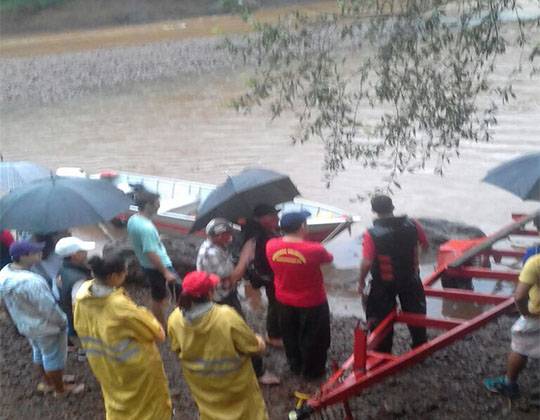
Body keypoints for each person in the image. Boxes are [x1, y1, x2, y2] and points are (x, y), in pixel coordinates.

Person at [74, 253, 172, 420]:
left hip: (103, 364)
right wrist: (142, 311)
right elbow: (158, 333)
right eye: (124, 272)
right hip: (135, 369)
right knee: (148, 406)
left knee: (117, 401)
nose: (126, 275)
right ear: (113, 276)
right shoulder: (119, 308)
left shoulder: (82, 297)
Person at [167, 271, 269, 420]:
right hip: (237, 391)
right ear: (209, 293)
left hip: (205, 392)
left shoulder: (174, 319)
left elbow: (177, 349)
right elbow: (253, 347)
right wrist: (259, 341)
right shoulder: (226, 317)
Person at [196, 217, 279, 385]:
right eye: (226, 235)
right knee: (243, 331)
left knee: (230, 332)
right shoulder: (211, 254)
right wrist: (246, 255)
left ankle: (237, 356)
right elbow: (233, 277)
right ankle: (259, 372)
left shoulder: (217, 246)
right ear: (217, 236)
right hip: (222, 299)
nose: (230, 237)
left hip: (223, 295)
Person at [0, 240, 83, 396]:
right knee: (53, 358)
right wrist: (62, 321)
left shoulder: (5, 273)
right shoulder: (31, 282)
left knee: (39, 352)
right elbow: (49, 308)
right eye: (35, 252)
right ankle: (60, 389)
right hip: (46, 327)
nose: (40, 254)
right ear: (23, 256)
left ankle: (47, 382)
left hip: (26, 324)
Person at [266, 211, 334, 380]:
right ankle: (313, 371)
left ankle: (295, 365)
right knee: (315, 337)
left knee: (290, 334)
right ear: (303, 227)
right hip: (312, 300)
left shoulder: (271, 245)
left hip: (283, 299)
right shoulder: (315, 249)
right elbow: (329, 258)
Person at [358, 194, 429, 353]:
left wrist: (361, 281)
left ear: (374, 211)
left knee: (379, 317)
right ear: (393, 207)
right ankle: (420, 345)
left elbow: (367, 262)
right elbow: (425, 245)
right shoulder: (413, 224)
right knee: (416, 312)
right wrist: (416, 263)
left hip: (383, 282)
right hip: (410, 278)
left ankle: (383, 352)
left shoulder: (371, 233)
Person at [483, 254, 540, 401]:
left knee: (520, 348)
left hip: (537, 316)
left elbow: (520, 297)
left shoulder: (535, 262)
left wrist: (525, 313)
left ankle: (509, 384)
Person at [127, 190, 178, 328]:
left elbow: (142, 243)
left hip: (147, 265)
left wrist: (156, 240)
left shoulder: (134, 219)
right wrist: (166, 272)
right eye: (157, 203)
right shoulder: (147, 227)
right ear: (148, 205)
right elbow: (150, 252)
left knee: (158, 296)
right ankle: (163, 327)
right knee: (166, 296)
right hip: (158, 267)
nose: (159, 205)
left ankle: (161, 325)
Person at [244, 204, 283, 348]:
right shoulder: (259, 236)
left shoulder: (269, 231)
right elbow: (261, 259)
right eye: (273, 216)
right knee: (275, 304)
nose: (277, 218)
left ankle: (277, 332)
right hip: (268, 276)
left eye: (276, 215)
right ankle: (274, 336)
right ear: (262, 219)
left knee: (277, 304)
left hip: (273, 275)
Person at [55, 236, 95, 352]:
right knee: (85, 344)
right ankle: (84, 354)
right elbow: (79, 306)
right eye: (82, 251)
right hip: (78, 323)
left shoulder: (62, 268)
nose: (86, 253)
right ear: (74, 255)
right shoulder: (78, 280)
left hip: (67, 316)